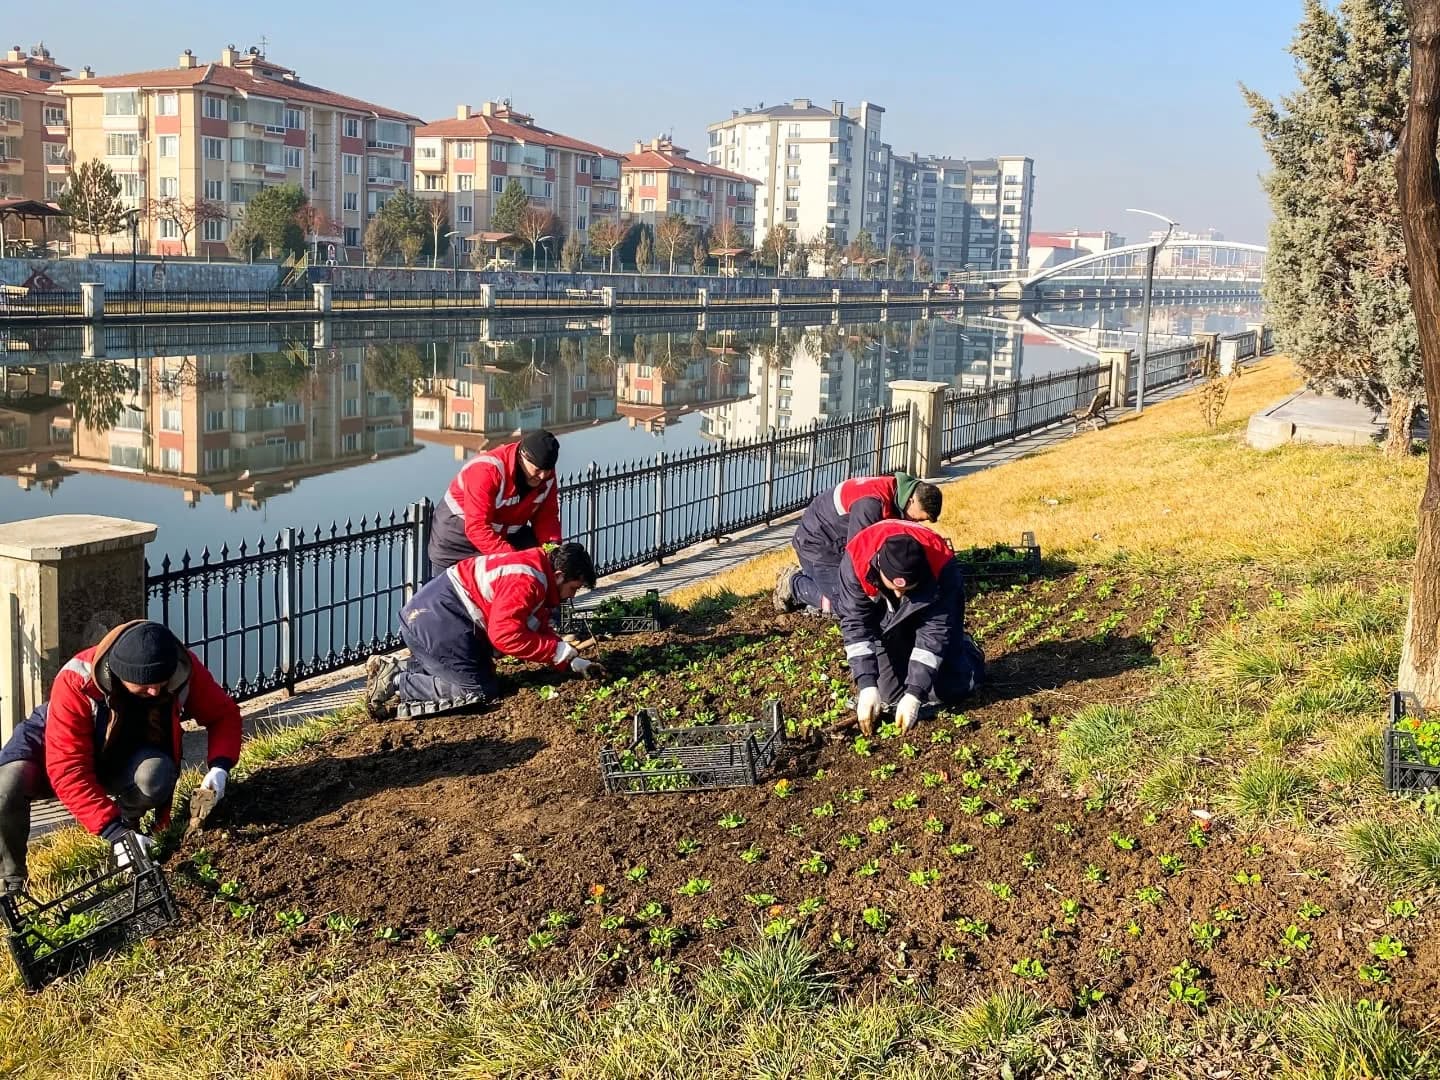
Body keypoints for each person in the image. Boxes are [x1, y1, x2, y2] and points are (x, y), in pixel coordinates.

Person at [0, 621, 242, 894]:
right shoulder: (75, 679)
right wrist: (111, 832)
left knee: (155, 775)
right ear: (117, 673)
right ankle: (12, 883)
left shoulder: (178, 664)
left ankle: (130, 826)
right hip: (52, 745)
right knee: (7, 786)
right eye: (145, 685)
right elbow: (67, 769)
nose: (155, 691)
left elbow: (223, 714)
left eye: (161, 682)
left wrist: (220, 766)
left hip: (124, 750)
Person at [365, 542, 604, 718]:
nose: (572, 596)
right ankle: (399, 681)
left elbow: (534, 626)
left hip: (436, 618)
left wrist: (572, 661)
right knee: (477, 691)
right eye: (574, 588)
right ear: (560, 576)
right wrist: (556, 650)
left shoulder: (538, 573)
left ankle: (396, 667)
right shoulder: (527, 581)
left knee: (481, 678)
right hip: (438, 620)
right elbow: (504, 636)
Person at [837, 520, 984, 736]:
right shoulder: (856, 561)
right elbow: (856, 624)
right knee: (888, 697)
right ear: (879, 567)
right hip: (884, 619)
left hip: (932, 611)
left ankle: (968, 651)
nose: (899, 594)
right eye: (894, 587)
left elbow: (934, 631)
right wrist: (867, 685)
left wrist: (915, 693)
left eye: (906, 588)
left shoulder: (941, 567)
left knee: (951, 690)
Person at [775, 473, 942, 616]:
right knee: (849, 606)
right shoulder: (871, 504)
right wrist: (872, 594)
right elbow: (857, 557)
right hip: (816, 546)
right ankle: (794, 584)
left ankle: (815, 577)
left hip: (838, 541)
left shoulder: (899, 495)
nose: (913, 522)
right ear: (911, 500)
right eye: (915, 519)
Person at [428, 429, 563, 573]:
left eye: (547, 470)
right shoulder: (487, 470)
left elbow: (547, 516)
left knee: (538, 568)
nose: (542, 476)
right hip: (456, 541)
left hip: (501, 537)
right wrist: (515, 558)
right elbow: (477, 528)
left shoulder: (546, 475)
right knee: (453, 592)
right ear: (521, 457)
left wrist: (551, 548)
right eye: (537, 470)